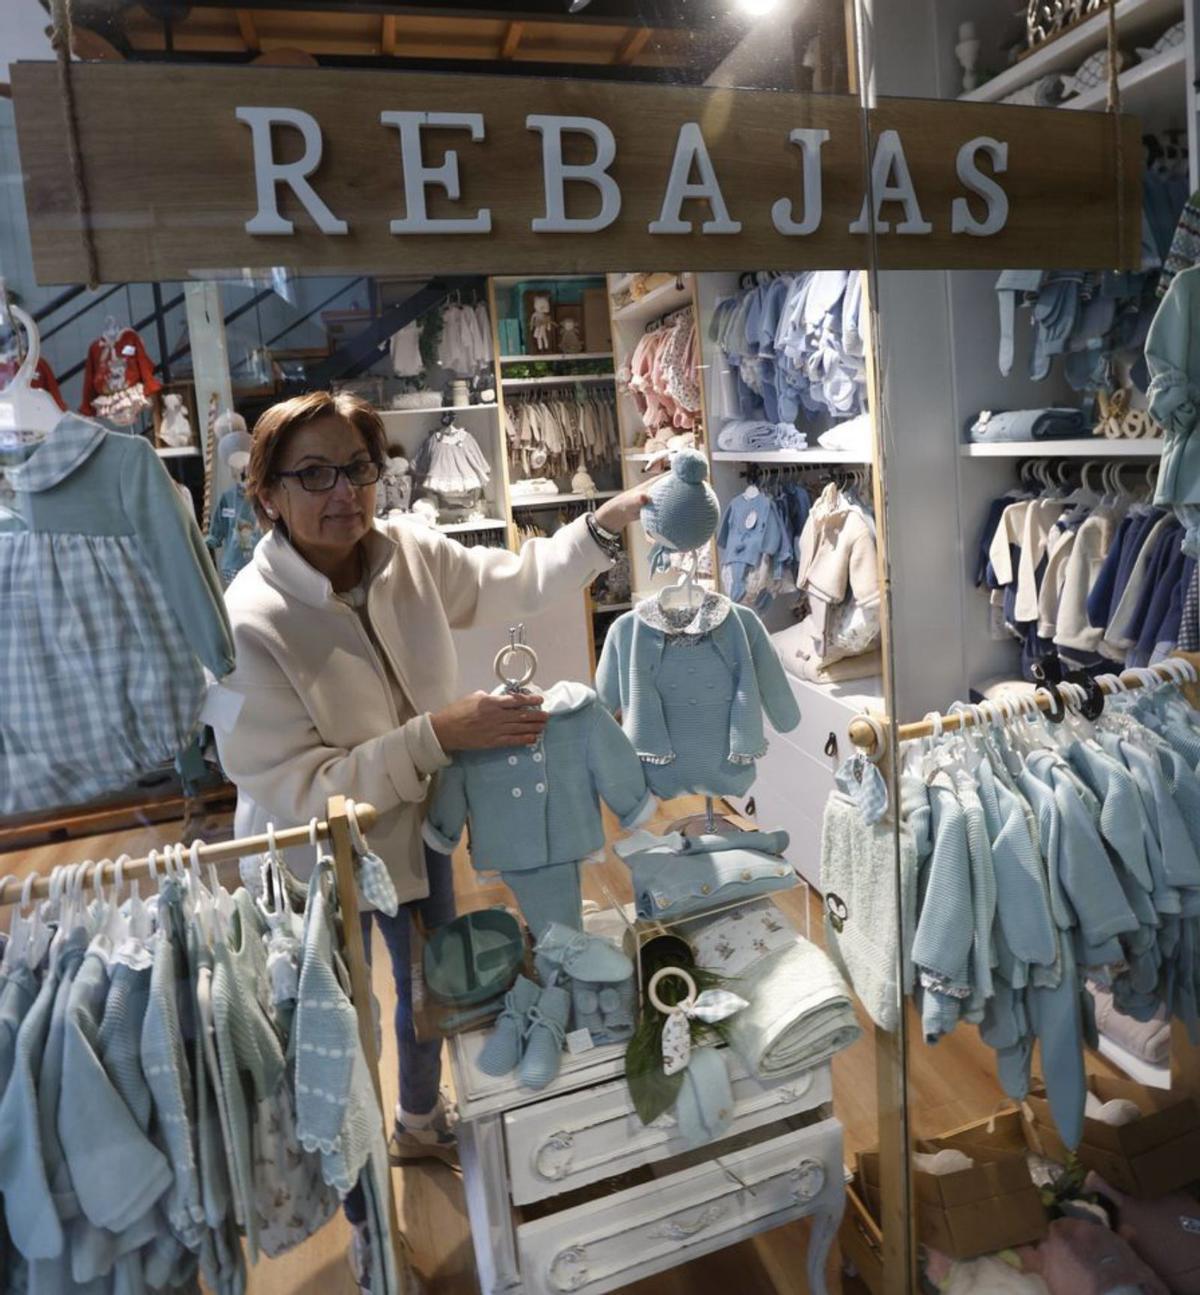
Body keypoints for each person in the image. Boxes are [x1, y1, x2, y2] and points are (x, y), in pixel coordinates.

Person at [210, 390, 645, 1287]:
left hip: (419, 828)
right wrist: (439, 736)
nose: (345, 492)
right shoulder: (248, 621)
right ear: (267, 493)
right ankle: (368, 1220)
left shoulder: (405, 549)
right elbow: (299, 790)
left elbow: (513, 580)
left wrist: (602, 524)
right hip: (311, 862)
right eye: (314, 474)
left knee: (432, 986)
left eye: (358, 468)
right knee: (339, 1037)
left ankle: (417, 1120)